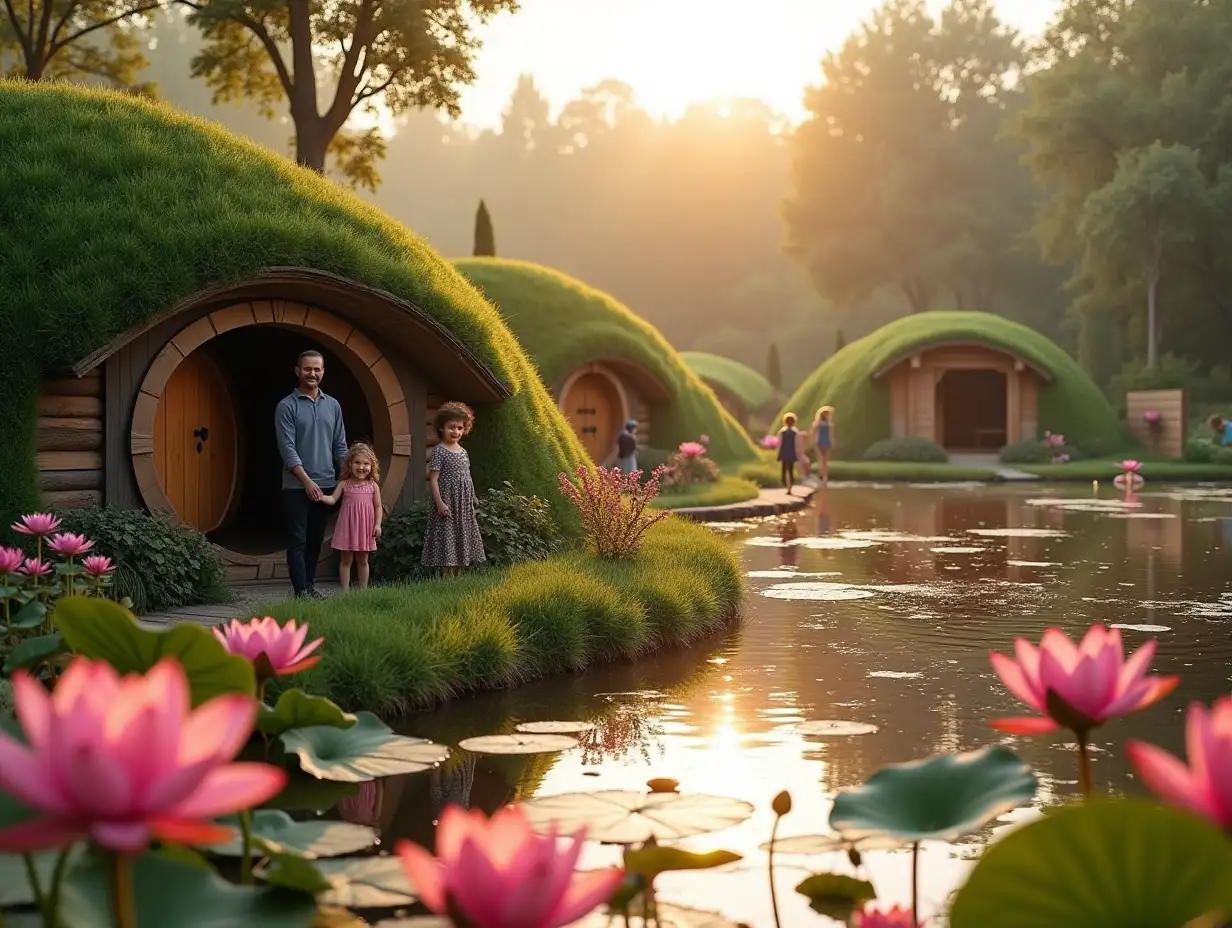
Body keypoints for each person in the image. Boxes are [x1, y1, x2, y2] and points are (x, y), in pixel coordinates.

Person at [276, 350, 347, 598]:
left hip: (326, 483)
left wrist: (347, 476)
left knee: (315, 540)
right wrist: (306, 482)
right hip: (296, 486)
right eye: (307, 369)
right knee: (298, 539)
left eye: (317, 369)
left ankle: (309, 586)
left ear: (323, 372)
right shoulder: (286, 406)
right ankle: (300, 591)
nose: (312, 373)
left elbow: (340, 446)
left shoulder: (333, 405)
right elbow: (288, 450)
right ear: (298, 371)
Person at [422, 401, 486, 574]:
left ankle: (459, 576)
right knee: (447, 537)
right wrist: (440, 503)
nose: (456, 431)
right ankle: (446, 578)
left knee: (461, 536)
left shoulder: (463, 452)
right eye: (452, 427)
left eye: (459, 428)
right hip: (448, 501)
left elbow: (467, 476)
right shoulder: (439, 451)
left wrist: (472, 497)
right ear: (442, 427)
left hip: (463, 503)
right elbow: (433, 480)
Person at [322, 442, 383, 592]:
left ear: (372, 465)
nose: (361, 467)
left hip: (365, 529)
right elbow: (332, 500)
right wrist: (320, 496)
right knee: (346, 560)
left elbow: (378, 506)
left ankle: (363, 591)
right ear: (350, 464)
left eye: (365, 463)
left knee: (363, 561)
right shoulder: (344, 484)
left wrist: (377, 524)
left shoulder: (372, 486)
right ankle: (345, 592)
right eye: (357, 462)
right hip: (347, 528)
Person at [777, 412, 802, 494]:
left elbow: (779, 444)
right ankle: (790, 486)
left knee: (784, 470)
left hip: (784, 452)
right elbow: (797, 444)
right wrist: (798, 453)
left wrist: (778, 453)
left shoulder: (782, 432)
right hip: (791, 452)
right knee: (790, 469)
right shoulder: (795, 432)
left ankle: (787, 485)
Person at [812, 405, 836, 485]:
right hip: (820, 442)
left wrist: (831, 441)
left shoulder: (828, 424)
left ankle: (824, 477)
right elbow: (814, 433)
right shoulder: (820, 423)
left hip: (825, 442)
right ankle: (822, 477)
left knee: (824, 460)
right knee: (822, 460)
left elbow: (831, 434)